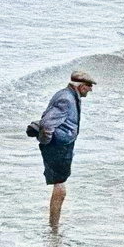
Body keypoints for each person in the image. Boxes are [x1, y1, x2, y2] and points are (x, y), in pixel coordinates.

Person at [38, 70, 95, 229]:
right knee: (60, 189)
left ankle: (53, 225)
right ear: (81, 86)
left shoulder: (69, 95)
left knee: (60, 186)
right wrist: (50, 142)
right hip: (58, 148)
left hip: (63, 146)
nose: (91, 89)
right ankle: (54, 227)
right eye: (89, 86)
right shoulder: (66, 99)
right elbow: (46, 124)